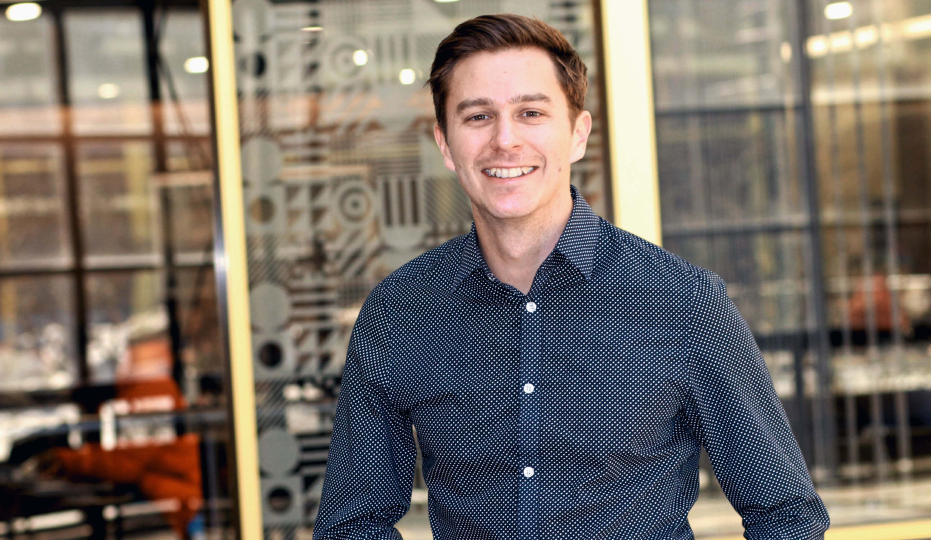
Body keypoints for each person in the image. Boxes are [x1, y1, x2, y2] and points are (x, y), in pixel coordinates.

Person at [313, 13, 829, 539]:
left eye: (531, 112)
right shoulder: (400, 311)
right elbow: (352, 524)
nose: (505, 140)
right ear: (445, 144)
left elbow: (786, 516)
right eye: (477, 117)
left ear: (578, 134)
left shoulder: (683, 302)